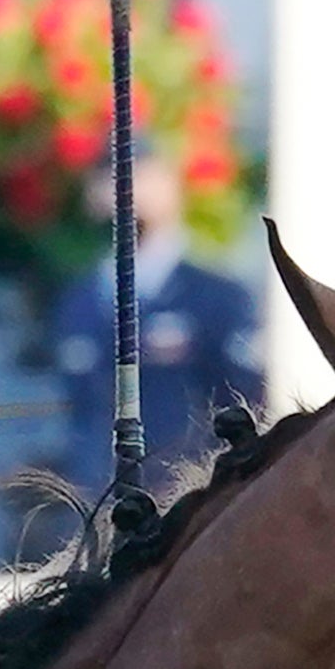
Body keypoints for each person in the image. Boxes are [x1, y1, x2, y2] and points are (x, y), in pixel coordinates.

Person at [45, 137, 261, 487]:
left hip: (185, 501)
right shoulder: (79, 300)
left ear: (171, 185)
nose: (127, 191)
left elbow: (245, 403)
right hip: (96, 498)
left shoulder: (216, 297)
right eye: (112, 177)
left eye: (142, 175)